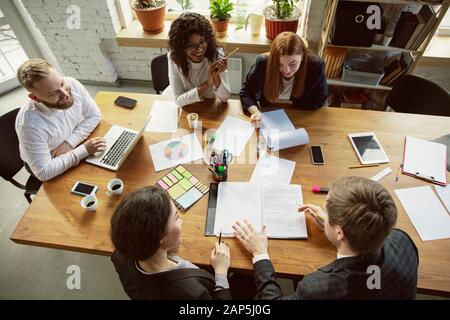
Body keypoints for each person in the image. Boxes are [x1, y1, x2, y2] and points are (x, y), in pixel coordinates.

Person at [233, 176, 419, 300]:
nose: (325, 215)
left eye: (328, 214)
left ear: (340, 233)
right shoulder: (403, 241)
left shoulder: (316, 288)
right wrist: (334, 226)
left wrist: (260, 254)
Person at [110, 186, 232, 300]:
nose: (181, 221)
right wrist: (221, 272)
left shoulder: (120, 256)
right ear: (159, 238)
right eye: (176, 217)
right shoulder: (193, 293)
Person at [15, 58, 105, 181]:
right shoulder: (29, 126)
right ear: (35, 98)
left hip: (71, 142)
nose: (65, 94)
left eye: (62, 83)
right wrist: (84, 150)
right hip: (50, 159)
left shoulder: (71, 83)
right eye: (53, 94)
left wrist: (70, 143)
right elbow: (44, 172)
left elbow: (94, 115)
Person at [240, 31, 328, 127]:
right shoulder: (263, 63)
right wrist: (256, 112)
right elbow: (246, 92)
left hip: (301, 116)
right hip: (268, 113)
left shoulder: (315, 66)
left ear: (302, 56)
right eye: (280, 64)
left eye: (293, 64)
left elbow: (319, 100)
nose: (287, 70)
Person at [166, 12, 231, 108]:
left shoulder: (216, 55)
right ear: (181, 46)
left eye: (202, 42)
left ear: (207, 39)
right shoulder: (174, 58)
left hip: (208, 106)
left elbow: (225, 98)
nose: (199, 49)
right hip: (187, 108)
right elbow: (179, 101)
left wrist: (216, 77)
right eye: (192, 45)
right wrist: (207, 84)